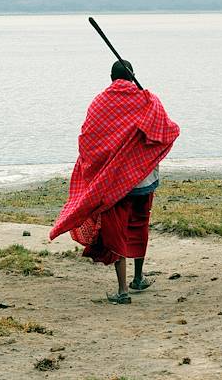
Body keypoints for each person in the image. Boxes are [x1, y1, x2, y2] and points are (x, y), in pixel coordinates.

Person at [50, 60, 180, 304]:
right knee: (139, 226)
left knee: (118, 231)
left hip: (115, 184)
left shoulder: (100, 102)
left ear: (111, 77)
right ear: (133, 76)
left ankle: (123, 291)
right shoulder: (148, 100)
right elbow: (167, 130)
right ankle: (138, 278)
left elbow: (88, 141)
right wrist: (152, 102)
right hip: (144, 180)